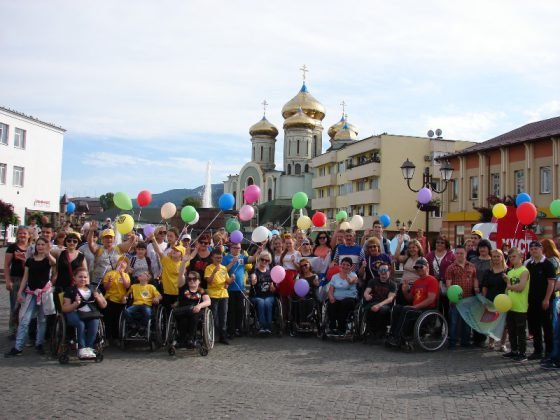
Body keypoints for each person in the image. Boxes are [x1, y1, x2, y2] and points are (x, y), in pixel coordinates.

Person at [4, 237, 56, 357]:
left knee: (42, 320)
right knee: (25, 320)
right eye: (38, 244)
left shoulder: (48, 260)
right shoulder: (30, 260)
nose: (40, 247)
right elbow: (26, 277)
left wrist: (48, 253)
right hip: (31, 293)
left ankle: (39, 344)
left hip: (44, 294)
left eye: (43, 244)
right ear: (35, 246)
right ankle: (18, 347)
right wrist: (19, 292)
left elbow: (54, 263)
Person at [386, 257, 439, 347]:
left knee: (407, 310)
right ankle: (393, 334)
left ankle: (399, 337)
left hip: (426, 310)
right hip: (416, 308)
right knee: (397, 308)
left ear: (427, 267)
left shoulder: (432, 280)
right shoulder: (417, 282)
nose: (418, 269)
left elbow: (431, 299)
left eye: (420, 267)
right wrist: (405, 291)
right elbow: (410, 299)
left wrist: (416, 307)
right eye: (416, 268)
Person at [61, 267, 107, 359]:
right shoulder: (70, 290)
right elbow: (65, 308)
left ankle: (89, 348)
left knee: (95, 322)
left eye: (85, 277)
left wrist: (98, 298)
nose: (83, 279)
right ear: (74, 278)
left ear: (88, 278)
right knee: (80, 324)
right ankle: (82, 348)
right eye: (80, 277)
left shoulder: (94, 289)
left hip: (90, 314)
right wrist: (75, 304)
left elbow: (104, 305)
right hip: (75, 313)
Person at [525, 240, 556, 360]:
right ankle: (537, 350)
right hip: (532, 301)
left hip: (545, 301)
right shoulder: (529, 264)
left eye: (536, 249)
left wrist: (547, 299)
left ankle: (549, 351)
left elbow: (551, 283)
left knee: (547, 327)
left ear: (541, 249)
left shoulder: (548, 264)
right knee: (535, 326)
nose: (534, 251)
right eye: (532, 249)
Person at [223, 241, 260, 338]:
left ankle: (238, 328)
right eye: (235, 248)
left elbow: (252, 259)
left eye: (239, 248)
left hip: (240, 288)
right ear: (231, 248)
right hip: (230, 288)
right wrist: (232, 262)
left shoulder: (242, 258)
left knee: (240, 309)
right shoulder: (226, 258)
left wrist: (258, 251)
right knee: (231, 310)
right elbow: (223, 270)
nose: (237, 250)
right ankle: (231, 330)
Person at [445, 245, 477, 349]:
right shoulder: (451, 268)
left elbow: (475, 279)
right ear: (454, 254)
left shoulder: (472, 266)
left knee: (467, 323)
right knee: (454, 322)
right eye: (457, 253)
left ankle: (465, 342)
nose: (459, 255)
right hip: (456, 300)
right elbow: (448, 284)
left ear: (466, 254)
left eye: (461, 253)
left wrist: (476, 288)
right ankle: (452, 342)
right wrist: (451, 298)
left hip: (468, 299)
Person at [87, 220, 136, 287]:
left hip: (112, 284)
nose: (109, 239)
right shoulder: (98, 249)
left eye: (111, 237)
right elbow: (90, 243)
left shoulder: (119, 248)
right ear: (102, 239)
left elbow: (131, 242)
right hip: (97, 282)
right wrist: (91, 231)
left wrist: (132, 235)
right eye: (106, 237)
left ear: (114, 239)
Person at [503, 247, 530, 362]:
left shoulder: (524, 271)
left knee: (521, 331)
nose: (512, 259)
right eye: (510, 257)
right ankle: (514, 350)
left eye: (514, 256)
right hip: (510, 305)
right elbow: (507, 289)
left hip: (520, 306)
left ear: (521, 257)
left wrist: (509, 286)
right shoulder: (510, 271)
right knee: (511, 330)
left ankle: (522, 353)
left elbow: (521, 287)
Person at [4, 226, 30, 339]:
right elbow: (6, 265)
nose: (22, 235)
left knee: (27, 306)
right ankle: (12, 329)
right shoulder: (12, 248)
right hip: (16, 279)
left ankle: (24, 329)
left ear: (29, 235)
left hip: (28, 279)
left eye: (25, 233)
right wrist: (8, 280)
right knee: (15, 305)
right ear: (17, 235)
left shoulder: (31, 248)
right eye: (20, 233)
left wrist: (24, 260)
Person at [174, 271, 211, 348]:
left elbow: (208, 301)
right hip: (183, 311)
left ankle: (191, 339)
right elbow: (180, 275)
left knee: (194, 315)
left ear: (199, 281)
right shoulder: (183, 288)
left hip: (196, 312)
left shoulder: (202, 291)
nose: (192, 280)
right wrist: (184, 262)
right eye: (189, 279)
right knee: (183, 319)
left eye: (194, 279)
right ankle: (182, 340)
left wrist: (199, 306)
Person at [481, 249, 509, 351]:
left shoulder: (507, 271)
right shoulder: (488, 272)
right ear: (491, 258)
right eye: (494, 256)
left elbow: (510, 286)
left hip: (503, 301)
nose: (496, 258)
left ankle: (502, 344)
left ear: (502, 257)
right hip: (490, 300)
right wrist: (484, 300)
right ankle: (491, 342)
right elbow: (484, 286)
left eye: (498, 256)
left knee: (504, 324)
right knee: (491, 322)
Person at [205, 249, 234, 344]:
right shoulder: (209, 268)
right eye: (217, 258)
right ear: (212, 257)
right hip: (213, 295)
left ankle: (223, 336)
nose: (219, 259)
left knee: (223, 317)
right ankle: (212, 335)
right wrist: (214, 272)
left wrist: (232, 279)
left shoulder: (224, 268)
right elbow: (208, 281)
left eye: (220, 258)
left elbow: (227, 282)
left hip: (224, 295)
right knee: (214, 317)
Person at [149, 235, 186, 307]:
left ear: (181, 255)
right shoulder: (166, 260)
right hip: (166, 291)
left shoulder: (182, 264)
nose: (174, 251)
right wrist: (153, 239)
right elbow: (159, 251)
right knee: (166, 310)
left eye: (177, 251)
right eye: (174, 250)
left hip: (177, 292)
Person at [363, 262, 396, 341]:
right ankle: (370, 331)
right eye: (381, 270)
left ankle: (380, 332)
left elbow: (390, 299)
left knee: (382, 310)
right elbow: (366, 291)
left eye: (385, 270)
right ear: (378, 272)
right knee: (368, 309)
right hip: (373, 302)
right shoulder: (373, 281)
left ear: (389, 272)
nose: (383, 272)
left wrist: (379, 305)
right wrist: (366, 295)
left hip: (385, 304)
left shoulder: (392, 284)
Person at [102, 256, 131, 341]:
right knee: (109, 319)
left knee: (118, 319)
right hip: (110, 299)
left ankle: (116, 337)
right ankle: (107, 337)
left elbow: (127, 286)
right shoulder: (110, 273)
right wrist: (109, 283)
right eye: (121, 261)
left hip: (121, 300)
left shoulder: (126, 275)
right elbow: (105, 287)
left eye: (125, 262)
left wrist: (122, 274)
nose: (122, 263)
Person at [327, 257, 358, 334]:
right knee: (331, 304)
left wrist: (350, 280)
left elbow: (353, 280)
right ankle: (332, 327)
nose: (345, 266)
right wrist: (331, 297)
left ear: (351, 267)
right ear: (340, 265)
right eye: (343, 264)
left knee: (344, 304)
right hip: (337, 299)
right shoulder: (335, 276)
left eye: (348, 265)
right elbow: (331, 289)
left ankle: (342, 328)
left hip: (349, 299)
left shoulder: (353, 275)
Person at [470, 239, 492, 347]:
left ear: (489, 249)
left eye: (484, 247)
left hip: (488, 291)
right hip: (475, 290)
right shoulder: (473, 261)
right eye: (480, 247)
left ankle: (483, 338)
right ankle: (476, 337)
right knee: (475, 315)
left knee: (485, 315)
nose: (482, 249)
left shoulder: (492, 261)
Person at [249, 251, 276, 334]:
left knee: (267, 302)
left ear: (269, 261)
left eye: (266, 260)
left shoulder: (270, 273)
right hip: (256, 296)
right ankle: (262, 326)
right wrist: (253, 280)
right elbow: (252, 278)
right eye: (262, 259)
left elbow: (273, 289)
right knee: (261, 302)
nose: (264, 261)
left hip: (268, 296)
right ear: (259, 259)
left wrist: (272, 288)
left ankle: (268, 326)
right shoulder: (255, 271)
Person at [393, 239, 424, 304]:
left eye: (413, 247)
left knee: (412, 306)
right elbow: (396, 257)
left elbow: (423, 272)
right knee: (400, 306)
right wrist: (399, 244)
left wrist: (408, 268)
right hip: (403, 285)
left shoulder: (422, 259)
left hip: (415, 287)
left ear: (418, 248)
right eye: (409, 248)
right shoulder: (407, 258)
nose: (411, 249)